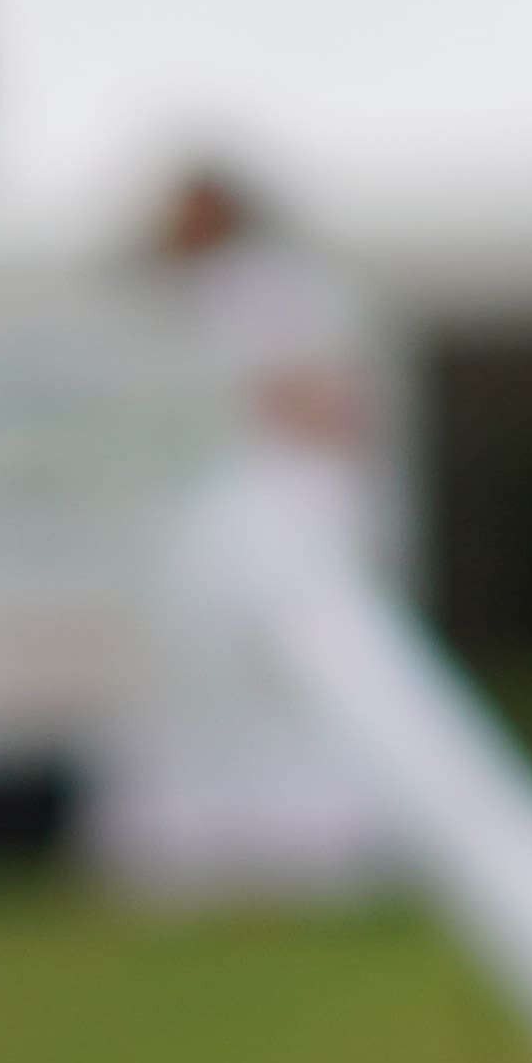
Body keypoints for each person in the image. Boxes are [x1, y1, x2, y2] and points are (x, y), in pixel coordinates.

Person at [76, 158, 419, 907]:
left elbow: (326, 407)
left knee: (290, 688)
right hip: (202, 535)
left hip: (270, 521)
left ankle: (308, 842)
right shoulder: (165, 302)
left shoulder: (286, 291)